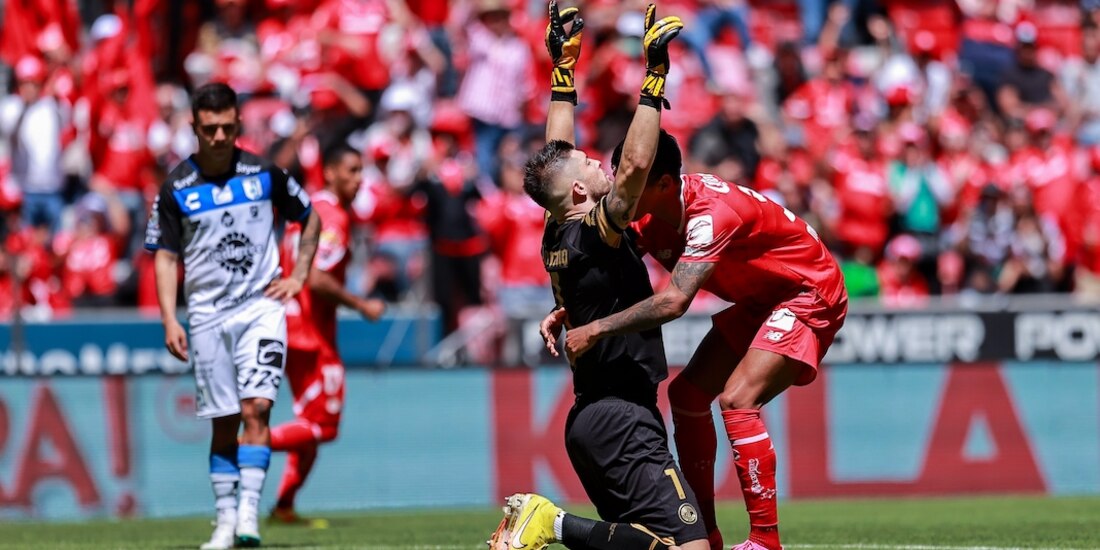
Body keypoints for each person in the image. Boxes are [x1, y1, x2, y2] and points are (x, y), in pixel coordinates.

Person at [552, 136, 848, 550]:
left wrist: (596, 328)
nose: (620, 188)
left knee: (738, 400)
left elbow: (674, 300)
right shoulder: (644, 217)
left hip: (806, 290)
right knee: (687, 395)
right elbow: (601, 271)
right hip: (759, 296)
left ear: (665, 185)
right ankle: (705, 532)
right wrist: (569, 308)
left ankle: (765, 541)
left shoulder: (710, 214)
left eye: (631, 180)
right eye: (620, 175)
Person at [489, 4, 707, 550]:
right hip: (620, 418)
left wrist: (564, 71)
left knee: (644, 542)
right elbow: (633, 169)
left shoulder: (554, 228)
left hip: (595, 417)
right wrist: (654, 76)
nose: (600, 165)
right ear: (583, 196)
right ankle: (552, 522)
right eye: (591, 166)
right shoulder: (594, 230)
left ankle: (554, 524)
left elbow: (556, 159)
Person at [144, 82, 320, 550]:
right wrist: (169, 318)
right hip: (205, 316)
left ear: (238, 123)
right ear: (194, 128)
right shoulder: (177, 187)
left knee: (257, 408)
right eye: (209, 129)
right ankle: (223, 521)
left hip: (261, 308)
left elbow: (309, 215)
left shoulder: (265, 174)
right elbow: (164, 255)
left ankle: (248, 518)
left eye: (226, 127)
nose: (219, 137)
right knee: (224, 421)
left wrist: (299, 274)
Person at [268, 143, 386, 523]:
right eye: (352, 170)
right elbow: (317, 278)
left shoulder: (304, 208)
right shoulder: (332, 216)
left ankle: (284, 506)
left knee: (310, 425)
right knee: (322, 426)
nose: (359, 179)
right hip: (310, 332)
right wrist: (362, 305)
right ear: (330, 172)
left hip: (291, 324)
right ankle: (246, 445)